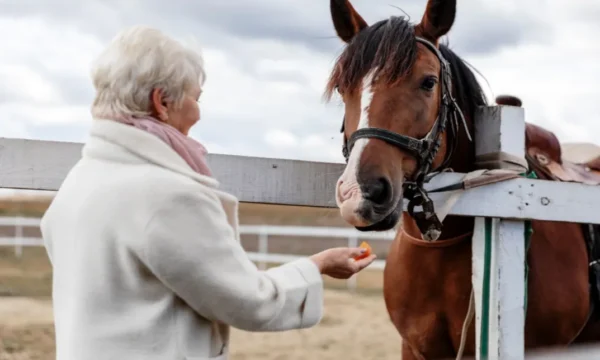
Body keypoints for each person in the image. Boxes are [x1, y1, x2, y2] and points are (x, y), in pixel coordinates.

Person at [40, 25, 376, 360]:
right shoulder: (167, 196)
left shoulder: (79, 183)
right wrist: (317, 265)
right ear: (162, 102)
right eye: (195, 98)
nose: (198, 114)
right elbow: (249, 302)